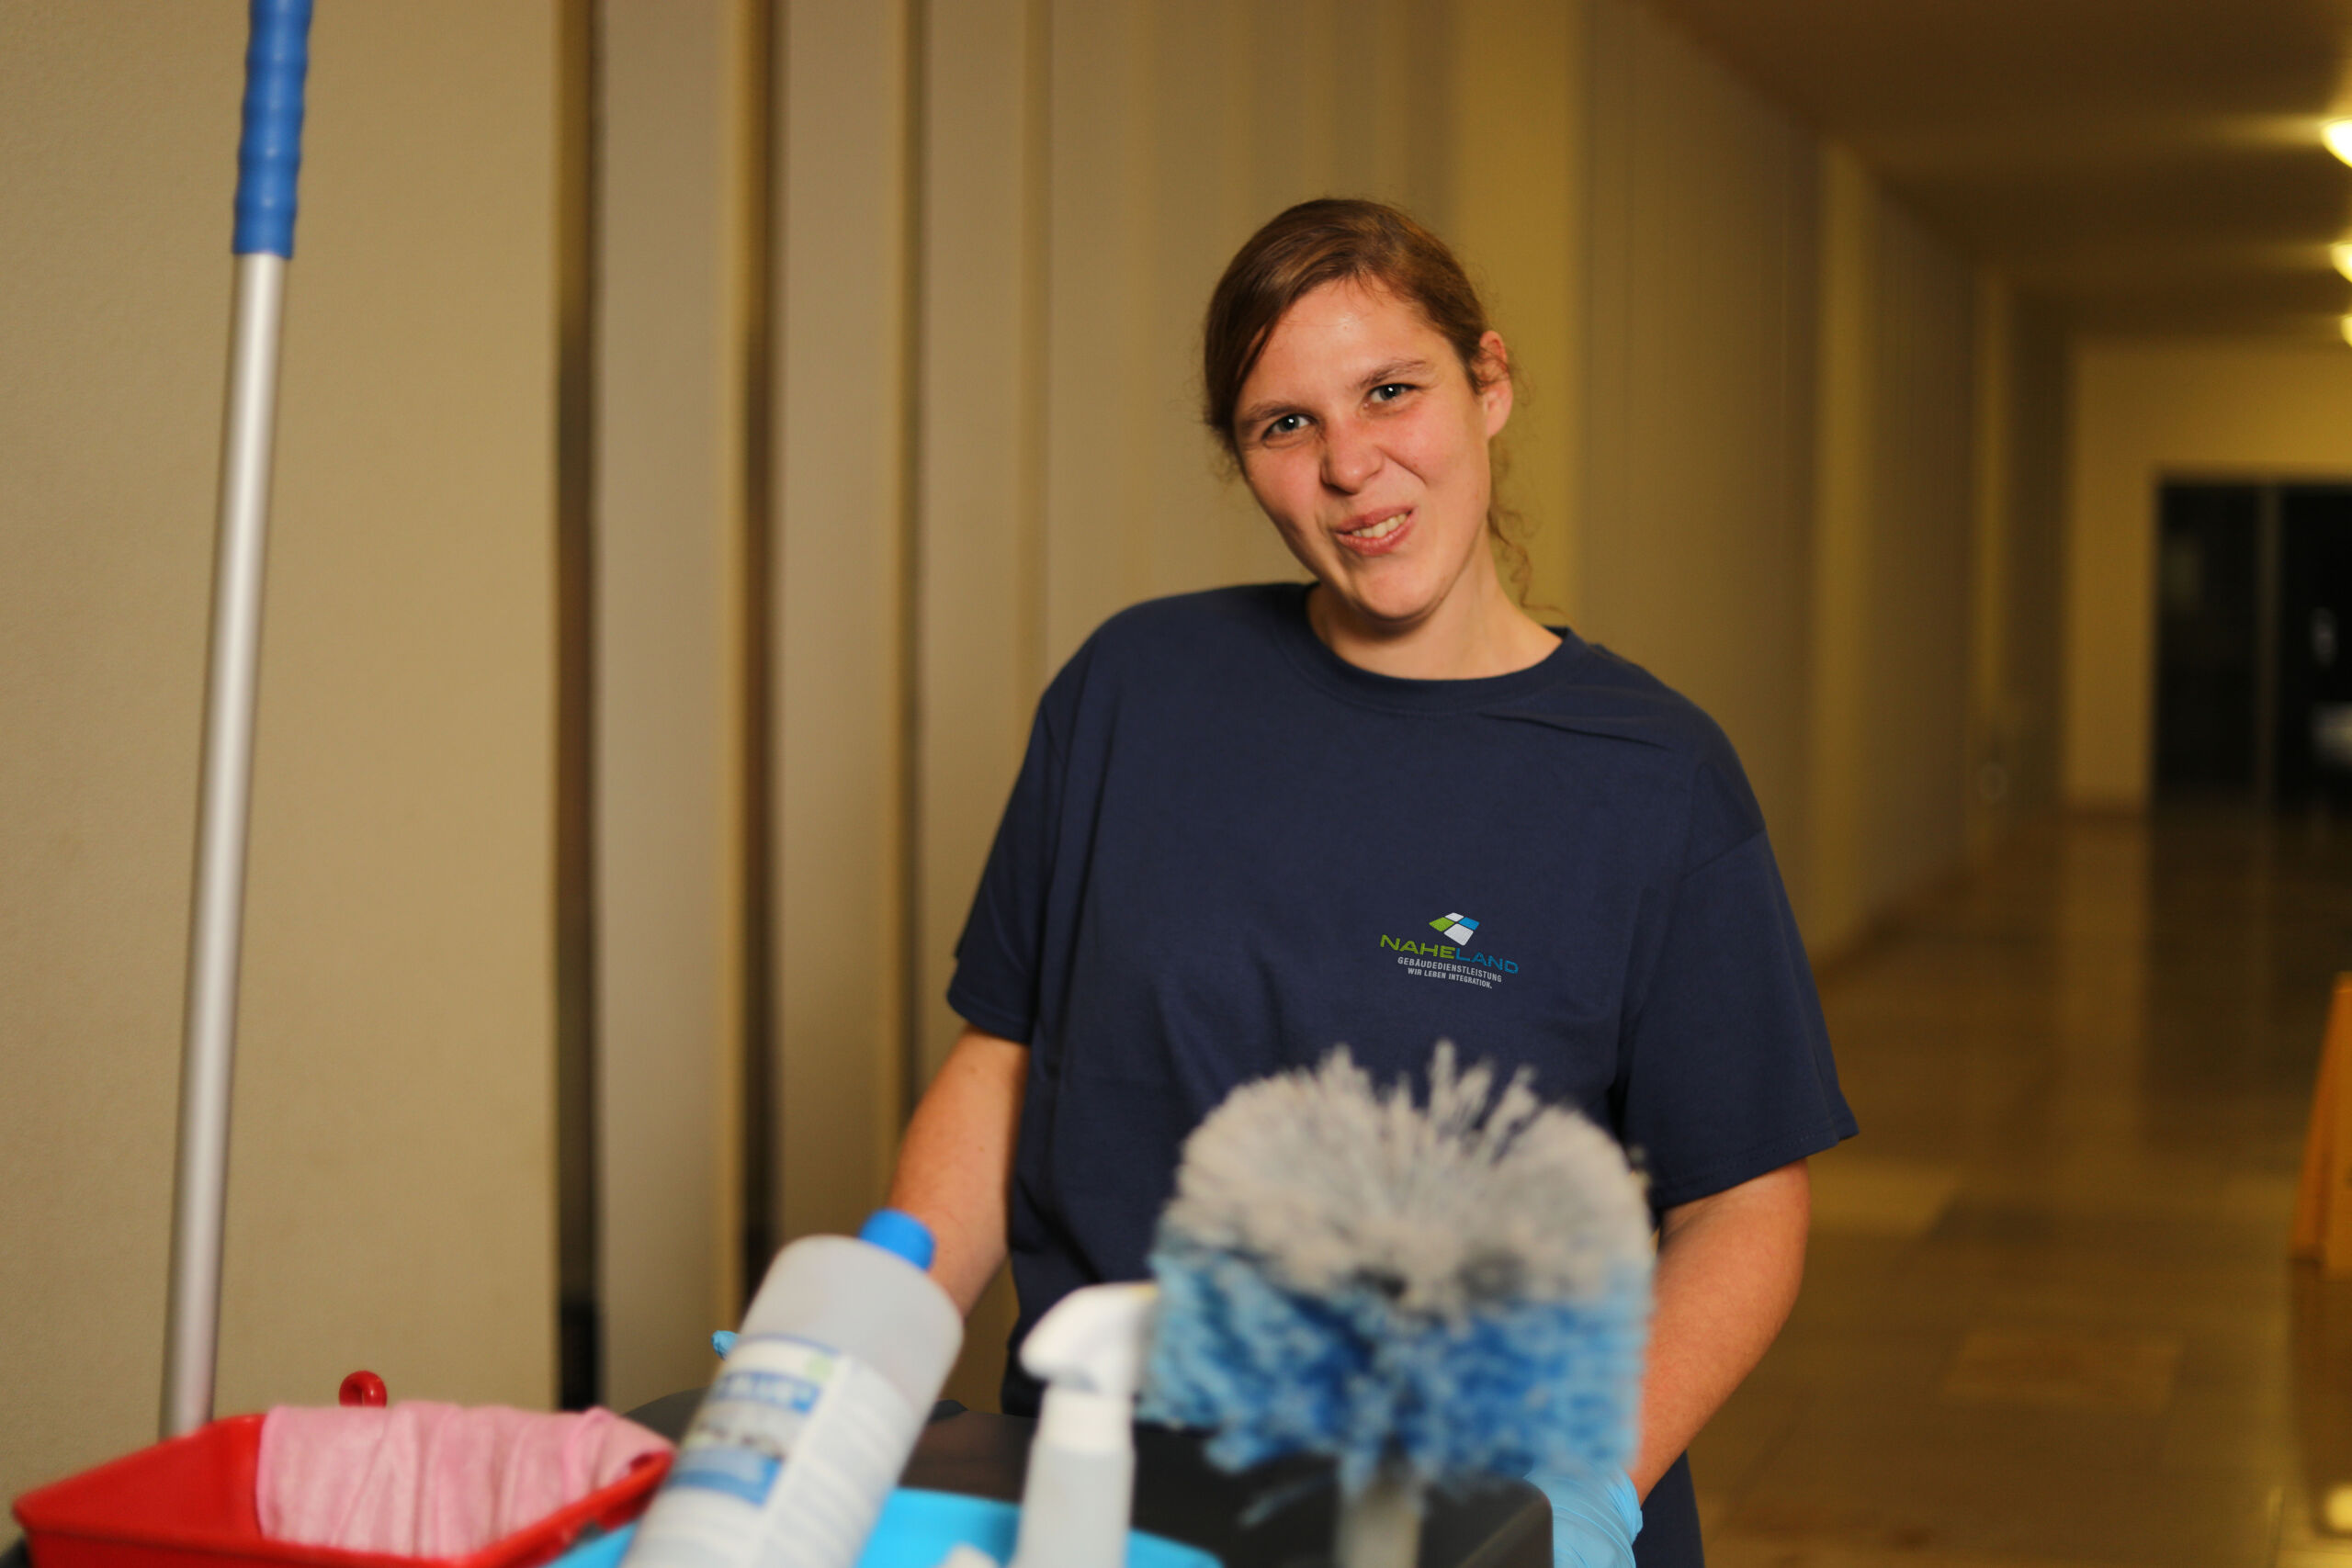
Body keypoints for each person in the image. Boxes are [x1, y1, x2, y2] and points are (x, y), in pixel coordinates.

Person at [886, 197, 1855, 1568]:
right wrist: (865, 1342)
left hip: (1473, 1514)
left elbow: (1743, 1201)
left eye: (1391, 391)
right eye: (1286, 425)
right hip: (1112, 1504)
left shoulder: (1651, 779)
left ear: (1489, 382)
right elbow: (1003, 1063)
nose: (1351, 464)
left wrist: (1575, 1490)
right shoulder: (1134, 693)